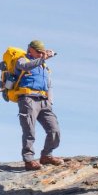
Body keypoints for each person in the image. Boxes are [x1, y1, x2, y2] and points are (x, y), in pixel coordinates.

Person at [14, 41, 63, 171]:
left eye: (43, 51)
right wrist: (42, 59)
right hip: (28, 99)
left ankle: (47, 155)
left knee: (54, 130)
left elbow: (49, 84)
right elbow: (25, 67)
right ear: (31, 49)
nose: (41, 53)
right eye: (39, 51)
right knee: (29, 130)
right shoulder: (22, 60)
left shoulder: (44, 66)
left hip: (44, 101)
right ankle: (29, 160)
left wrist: (50, 100)